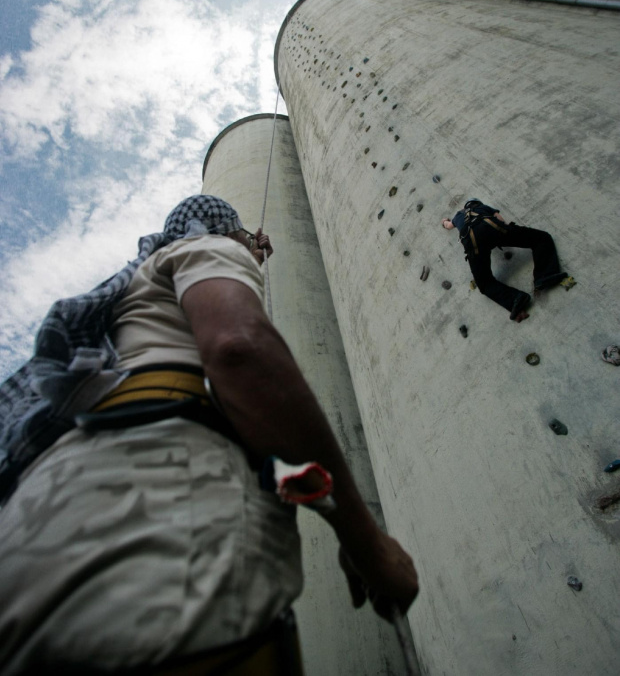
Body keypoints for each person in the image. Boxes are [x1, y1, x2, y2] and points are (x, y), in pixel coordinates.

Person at [0, 194, 418, 674]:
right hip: (159, 513)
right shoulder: (208, 249)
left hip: (36, 531)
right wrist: (369, 545)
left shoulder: (132, 298)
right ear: (225, 231)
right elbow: (238, 350)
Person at [442, 198, 567, 322]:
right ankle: (545, 275)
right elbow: (500, 220)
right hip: (492, 229)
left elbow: (448, 226)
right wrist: (508, 235)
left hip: (473, 244)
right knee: (541, 239)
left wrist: (444, 222)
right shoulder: (482, 207)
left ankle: (515, 300)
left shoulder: (457, 216)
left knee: (485, 283)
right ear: (477, 203)